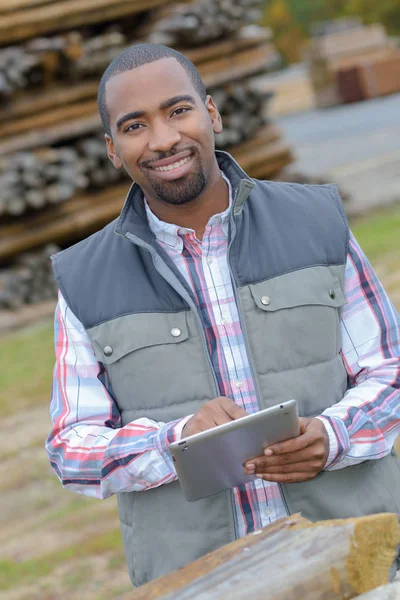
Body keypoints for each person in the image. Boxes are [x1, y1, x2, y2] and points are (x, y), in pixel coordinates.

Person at [46, 44, 400, 587]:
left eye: (178, 110)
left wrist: (334, 435)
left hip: (357, 558)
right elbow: (71, 447)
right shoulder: (84, 280)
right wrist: (176, 441)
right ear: (113, 149)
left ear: (211, 113)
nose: (163, 139)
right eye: (135, 125)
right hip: (203, 583)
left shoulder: (316, 223)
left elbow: (390, 371)